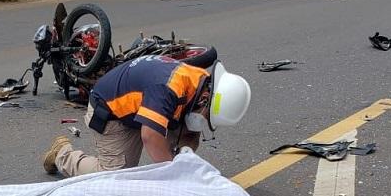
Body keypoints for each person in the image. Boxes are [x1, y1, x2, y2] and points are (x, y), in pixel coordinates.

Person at [41, 57, 252, 177]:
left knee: (184, 131)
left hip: (141, 106)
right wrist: (174, 174)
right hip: (111, 110)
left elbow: (190, 133)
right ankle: (63, 154)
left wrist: (185, 155)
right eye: (206, 116)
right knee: (113, 177)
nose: (202, 121)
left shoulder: (201, 82)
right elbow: (150, 136)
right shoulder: (168, 88)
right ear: (207, 97)